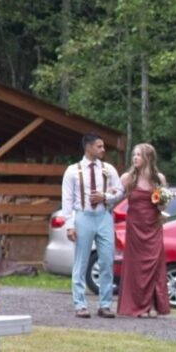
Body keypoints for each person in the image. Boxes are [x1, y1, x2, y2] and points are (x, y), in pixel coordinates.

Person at [61, 133, 123, 318]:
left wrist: (105, 196)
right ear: (88, 147)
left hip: (103, 216)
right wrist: (69, 225)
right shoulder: (73, 170)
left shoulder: (108, 169)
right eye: (99, 146)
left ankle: (105, 304)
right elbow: (67, 200)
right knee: (81, 262)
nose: (103, 150)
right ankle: (80, 304)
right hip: (83, 216)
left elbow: (120, 191)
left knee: (106, 260)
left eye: (103, 146)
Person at [116, 143, 171, 318]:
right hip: (135, 227)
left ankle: (151, 305)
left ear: (148, 157)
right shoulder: (128, 178)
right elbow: (115, 197)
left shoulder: (158, 179)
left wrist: (162, 199)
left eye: (139, 155)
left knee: (153, 264)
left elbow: (162, 206)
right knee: (135, 265)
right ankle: (135, 305)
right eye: (134, 155)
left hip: (153, 226)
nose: (135, 158)